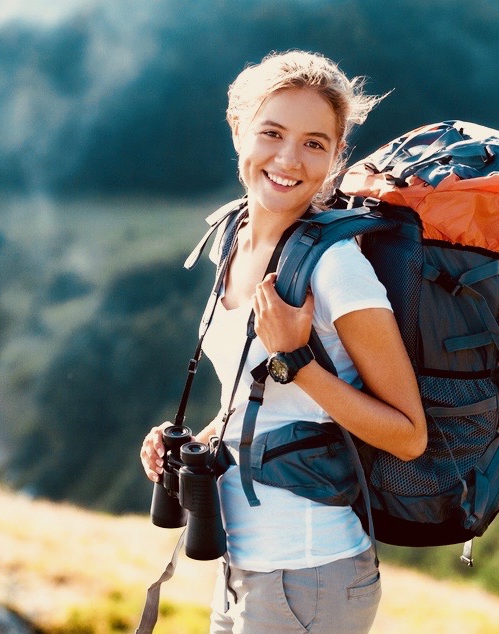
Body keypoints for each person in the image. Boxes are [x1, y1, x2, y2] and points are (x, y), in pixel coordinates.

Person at [139, 50, 426, 633]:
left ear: (336, 156)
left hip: (310, 573)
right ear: (238, 130)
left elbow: (409, 436)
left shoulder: (337, 268)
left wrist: (298, 359)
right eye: (272, 132)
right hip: (244, 567)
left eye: (315, 143)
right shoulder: (232, 238)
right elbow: (254, 402)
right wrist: (195, 441)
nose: (289, 159)